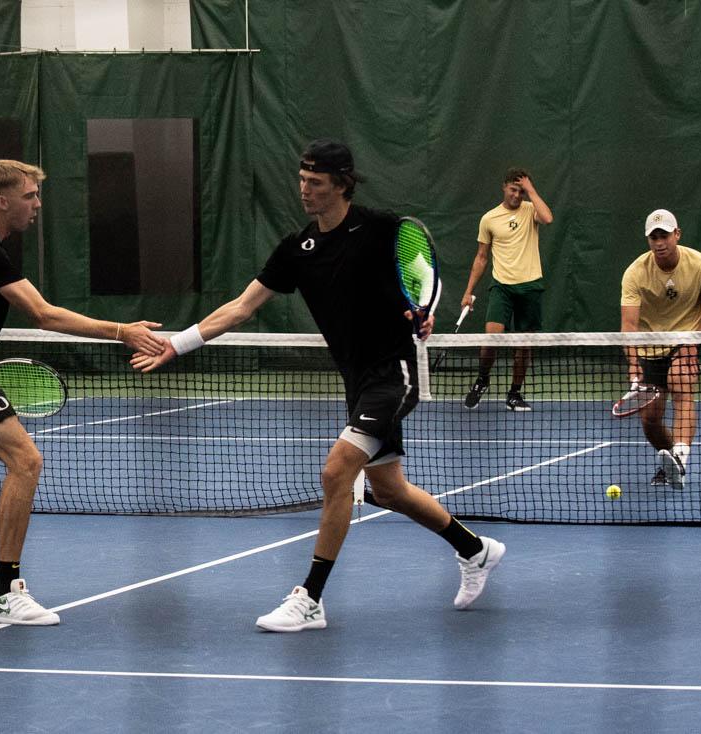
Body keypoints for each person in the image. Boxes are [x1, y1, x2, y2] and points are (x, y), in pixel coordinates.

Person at [131, 139, 505, 632]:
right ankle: (476, 549)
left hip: (394, 373)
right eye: (302, 180)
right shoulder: (297, 249)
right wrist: (176, 344)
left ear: (342, 185)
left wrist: (425, 312)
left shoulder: (383, 229)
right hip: (355, 379)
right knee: (389, 490)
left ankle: (310, 597)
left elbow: (423, 274)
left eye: (316, 183)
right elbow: (241, 308)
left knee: (337, 472)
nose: (305, 191)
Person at [0, 159, 166, 625]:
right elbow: (44, 315)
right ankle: (6, 591)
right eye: (30, 196)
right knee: (26, 460)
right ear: (3, 201)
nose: (38, 205)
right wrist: (122, 330)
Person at [620, 209, 701, 490]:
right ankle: (673, 465)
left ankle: (680, 456)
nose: (659, 242)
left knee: (681, 387)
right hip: (649, 349)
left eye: (664, 235)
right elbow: (628, 325)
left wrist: (692, 341)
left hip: (684, 341)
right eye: (653, 237)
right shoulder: (635, 273)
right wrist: (633, 364)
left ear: (676, 234)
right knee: (650, 421)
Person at [461, 167, 554, 411]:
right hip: (501, 286)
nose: (517, 195)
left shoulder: (531, 209)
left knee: (524, 346)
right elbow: (481, 257)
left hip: (530, 285)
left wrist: (531, 190)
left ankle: (514, 394)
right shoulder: (489, 219)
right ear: (504, 187)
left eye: (521, 191)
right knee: (492, 337)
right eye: (513, 189)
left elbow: (548, 218)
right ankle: (482, 380)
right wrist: (468, 291)